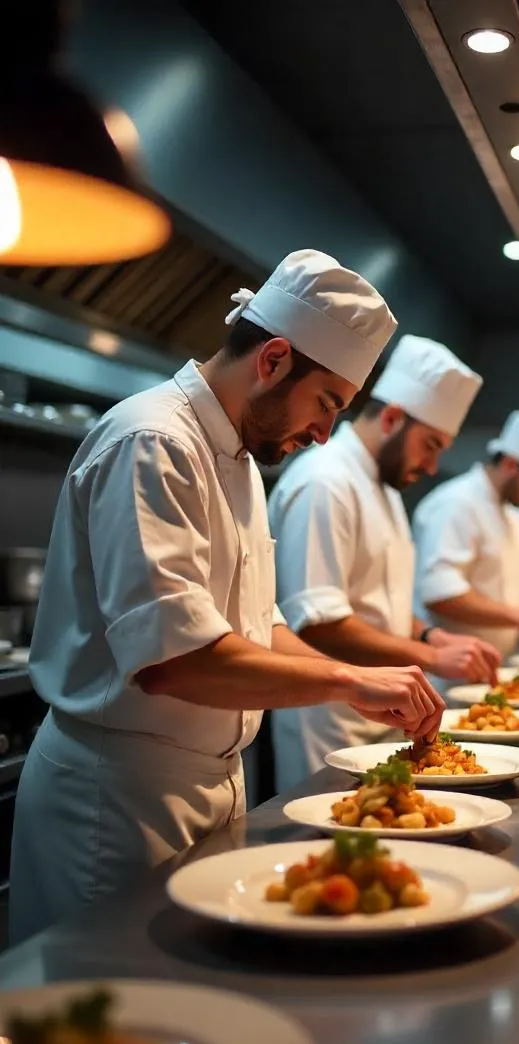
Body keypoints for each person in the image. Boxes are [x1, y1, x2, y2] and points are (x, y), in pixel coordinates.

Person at [10, 250, 446, 944]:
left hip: (207, 786)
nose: (326, 432)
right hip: (118, 799)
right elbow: (174, 659)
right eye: (327, 403)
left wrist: (361, 685)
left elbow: (256, 622)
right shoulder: (153, 441)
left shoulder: (238, 457)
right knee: (111, 1012)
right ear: (273, 359)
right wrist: (344, 678)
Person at [267, 334, 499, 786]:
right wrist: (430, 656)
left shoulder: (383, 488)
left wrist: (433, 634)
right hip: (332, 725)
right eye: (430, 445)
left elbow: (380, 603)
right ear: (392, 418)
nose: (432, 467)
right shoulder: (325, 481)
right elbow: (317, 622)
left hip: (386, 718)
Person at [412, 410, 519, 658]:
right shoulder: (457, 503)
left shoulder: (513, 515)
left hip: (496, 663)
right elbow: (439, 593)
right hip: (450, 671)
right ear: (510, 465)